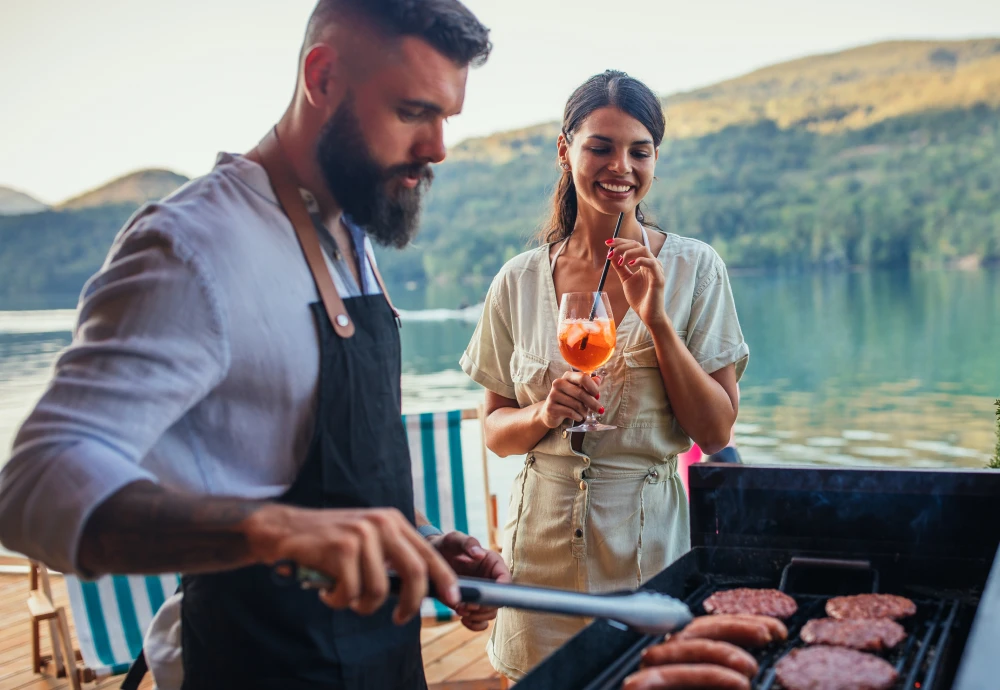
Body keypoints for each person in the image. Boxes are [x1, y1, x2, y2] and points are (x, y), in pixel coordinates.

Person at [0, 2, 510, 688]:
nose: (438, 146)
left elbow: (318, 466)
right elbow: (32, 489)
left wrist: (419, 543)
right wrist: (267, 531)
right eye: (413, 111)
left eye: (447, 116)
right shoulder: (195, 248)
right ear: (323, 77)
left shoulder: (350, 236)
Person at [460, 70, 749, 680]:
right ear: (566, 150)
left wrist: (657, 320)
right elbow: (494, 430)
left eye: (639, 151)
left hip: (647, 551)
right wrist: (542, 413)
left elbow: (717, 427)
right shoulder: (517, 280)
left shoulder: (697, 268)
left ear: (654, 160)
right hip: (538, 555)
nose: (621, 166)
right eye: (601, 146)